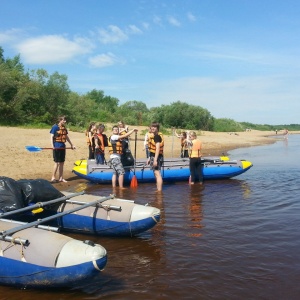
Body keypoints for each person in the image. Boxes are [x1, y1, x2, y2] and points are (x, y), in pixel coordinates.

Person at [50, 116, 75, 183]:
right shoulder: (55, 127)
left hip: (62, 146)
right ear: (60, 120)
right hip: (56, 146)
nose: (65, 121)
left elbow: (66, 137)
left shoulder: (64, 128)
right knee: (57, 163)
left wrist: (71, 145)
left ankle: (61, 178)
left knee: (62, 163)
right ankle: (53, 177)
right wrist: (52, 146)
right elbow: (51, 137)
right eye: (64, 120)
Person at [147, 122, 164, 192]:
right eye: (152, 127)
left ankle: (159, 191)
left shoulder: (157, 136)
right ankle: (158, 189)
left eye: (154, 127)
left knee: (157, 173)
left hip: (156, 157)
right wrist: (149, 158)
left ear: (157, 128)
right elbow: (152, 150)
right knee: (155, 173)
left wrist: (155, 160)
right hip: (153, 156)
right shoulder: (154, 136)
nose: (153, 128)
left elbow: (157, 149)